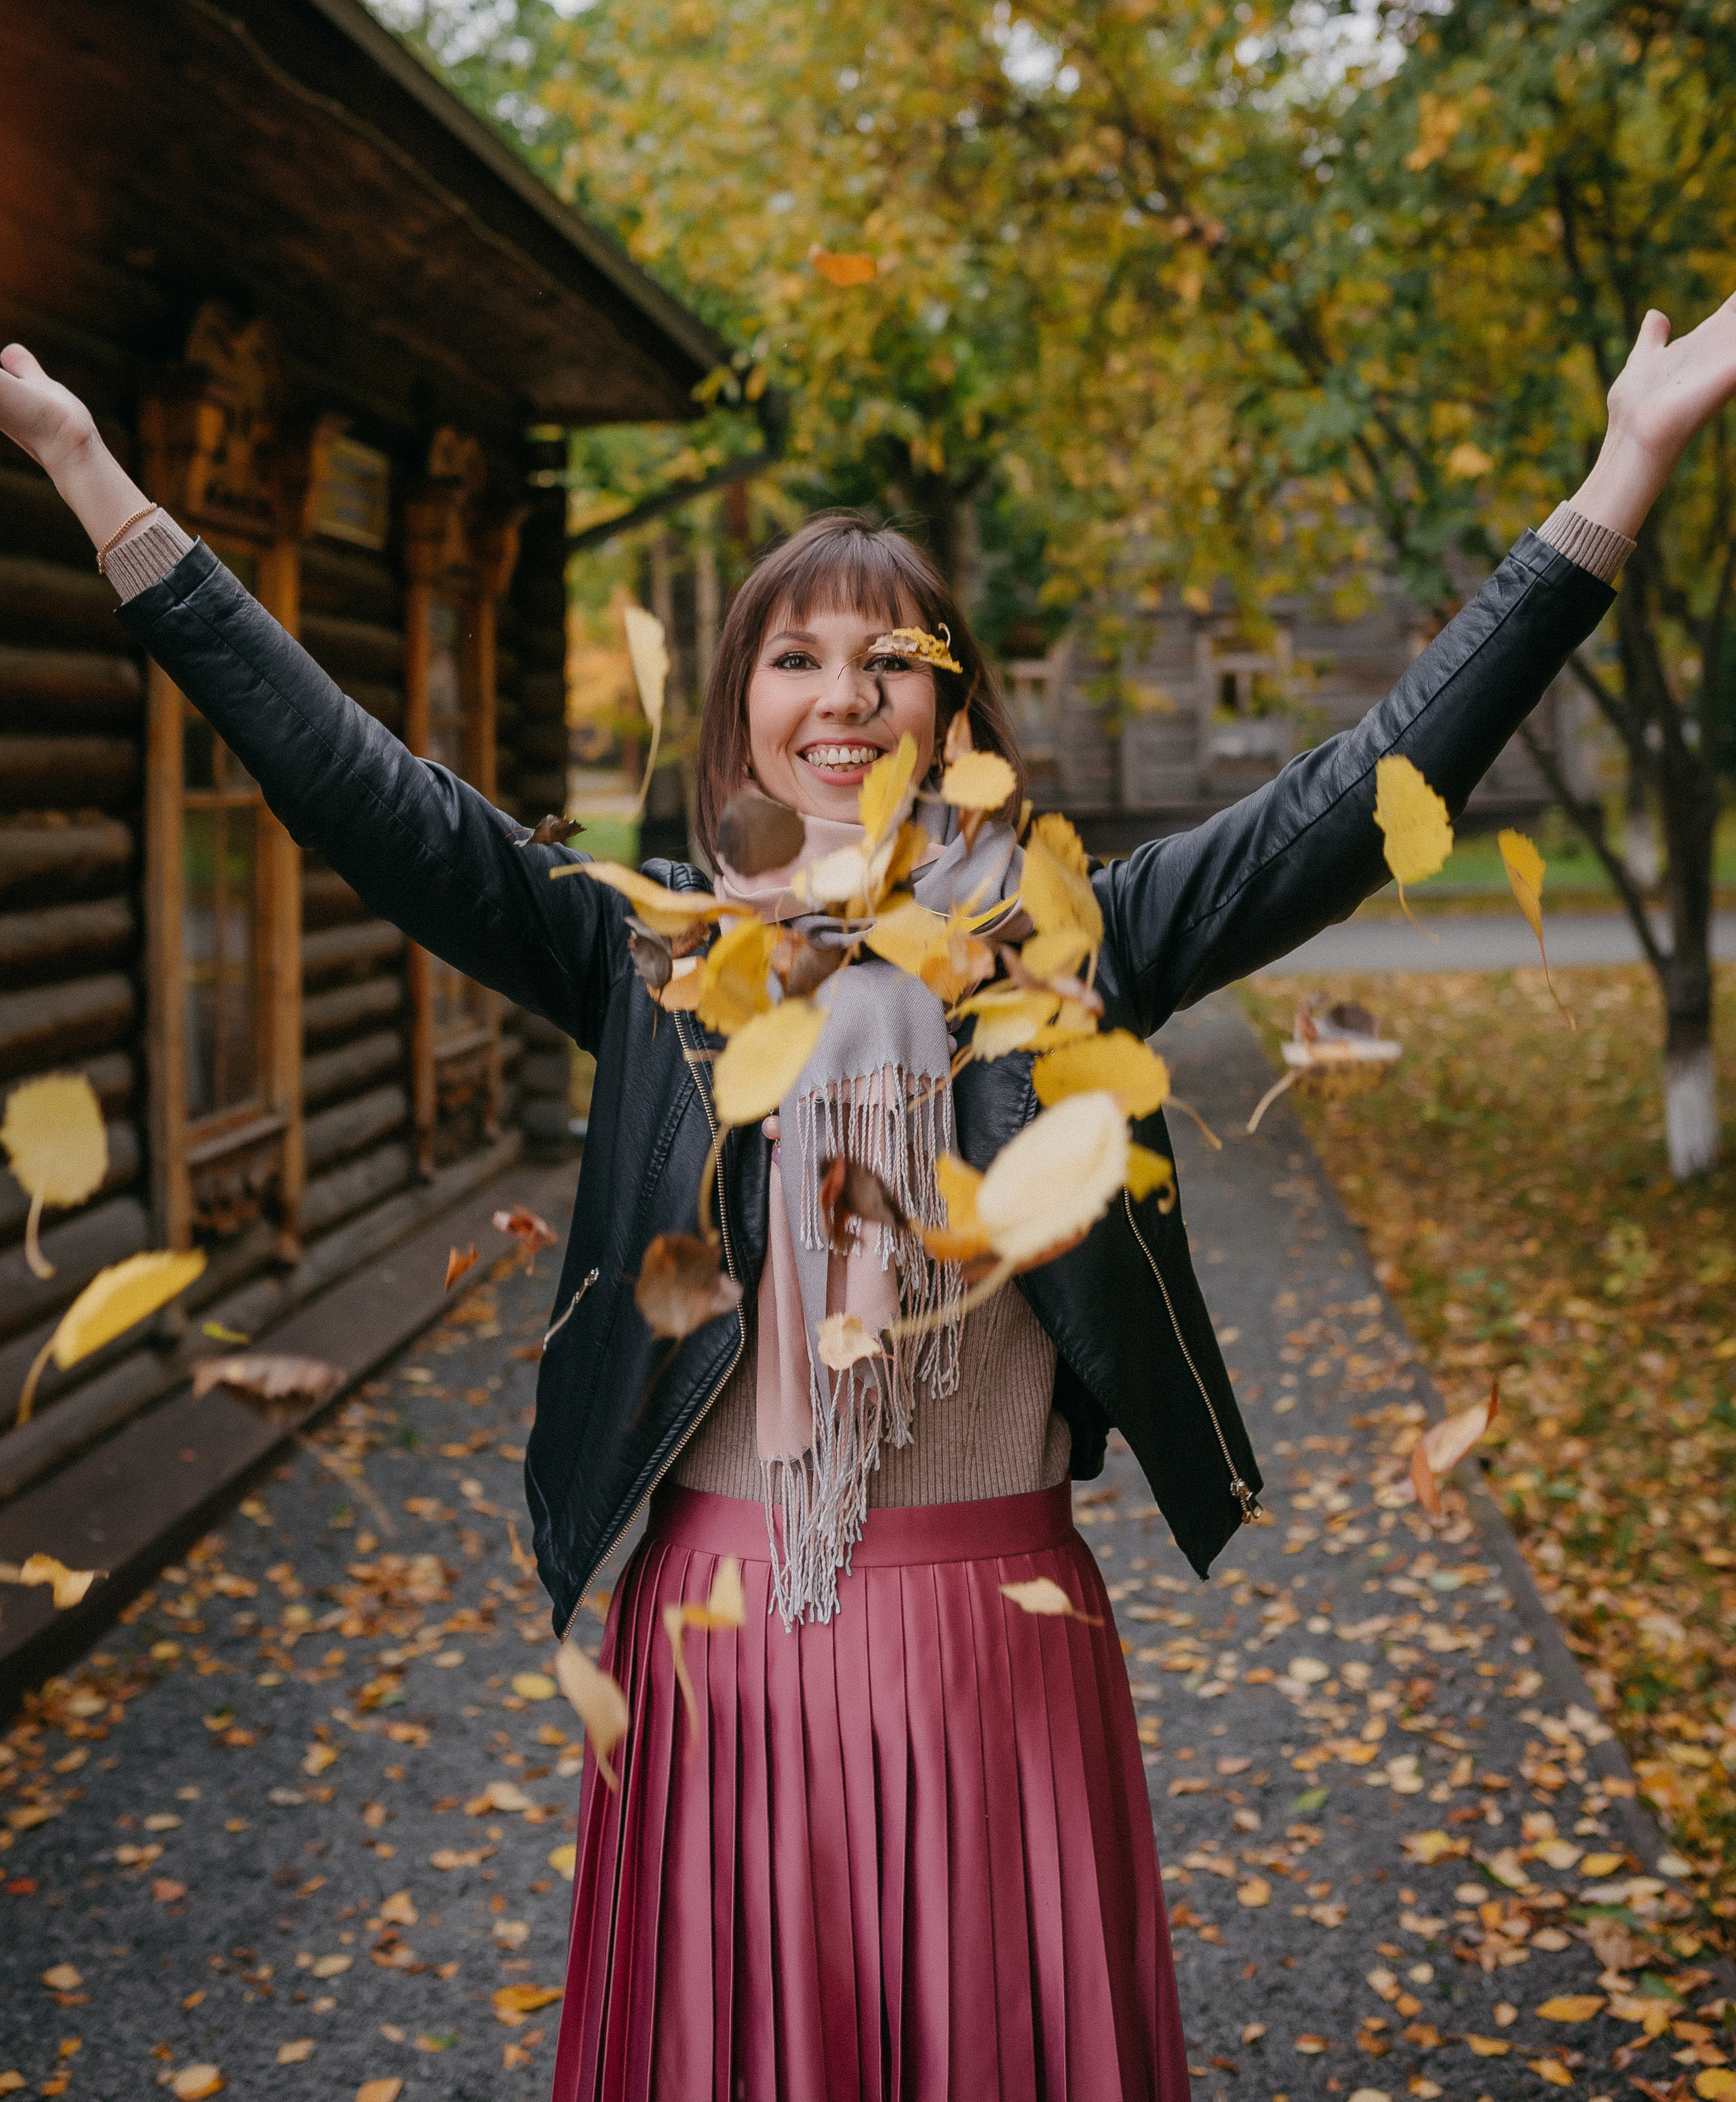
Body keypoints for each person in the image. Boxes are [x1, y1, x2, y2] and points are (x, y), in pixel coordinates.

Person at [3, 298, 1733, 2101]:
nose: (844, 694)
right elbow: (358, 791)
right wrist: (90, 467)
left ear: (954, 707)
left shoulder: (1075, 947)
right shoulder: (651, 954)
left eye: (892, 657)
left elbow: (1360, 797)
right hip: (719, 1649)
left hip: (999, 1651)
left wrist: (1624, 468)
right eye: (797, 658)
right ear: (740, 715)